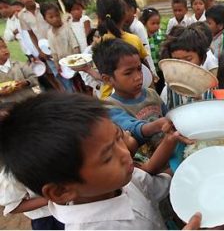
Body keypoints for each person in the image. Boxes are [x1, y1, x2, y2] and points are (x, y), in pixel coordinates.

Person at [0, 92, 202, 229]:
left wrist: (189, 162)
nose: (124, 153)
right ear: (61, 191)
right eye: (107, 157)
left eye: (118, 137)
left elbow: (153, 186)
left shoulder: (120, 178)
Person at [92, 38, 184, 168]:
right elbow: (132, 128)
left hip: (172, 156)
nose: (138, 76)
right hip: (148, 169)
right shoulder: (110, 106)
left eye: (139, 69)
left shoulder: (152, 94)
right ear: (107, 79)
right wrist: (157, 125)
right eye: (128, 73)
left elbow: (167, 116)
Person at [96, 0, 152, 98]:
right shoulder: (134, 40)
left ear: (99, 18)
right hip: (135, 96)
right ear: (124, 14)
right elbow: (145, 65)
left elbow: (100, 76)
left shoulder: (100, 45)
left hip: (108, 98)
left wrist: (86, 69)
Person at [9, 0, 62, 91]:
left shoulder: (44, 8)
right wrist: (39, 51)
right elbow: (31, 34)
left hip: (58, 45)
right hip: (45, 50)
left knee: (69, 70)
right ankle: (67, 95)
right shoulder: (21, 15)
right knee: (57, 74)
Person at [159, 25, 212, 109]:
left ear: (202, 58)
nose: (183, 64)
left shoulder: (210, 88)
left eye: (188, 59)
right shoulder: (168, 90)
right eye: (177, 60)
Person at [41, 1, 86, 94]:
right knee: (72, 87)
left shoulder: (66, 28)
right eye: (51, 17)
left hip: (74, 62)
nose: (56, 19)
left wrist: (76, 61)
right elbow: (53, 51)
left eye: (57, 15)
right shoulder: (49, 33)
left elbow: (75, 45)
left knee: (81, 84)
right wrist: (57, 64)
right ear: (45, 19)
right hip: (64, 67)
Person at [115, 0, 157, 79]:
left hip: (143, 68)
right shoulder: (122, 26)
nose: (121, 14)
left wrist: (152, 72)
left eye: (124, 10)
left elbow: (146, 52)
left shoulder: (137, 27)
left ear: (133, 10)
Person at [0, 37, 37, 103]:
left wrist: (26, 82)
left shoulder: (20, 65)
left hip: (31, 101)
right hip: (10, 108)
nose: (4, 50)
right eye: (0, 49)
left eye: (5, 47)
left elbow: (34, 78)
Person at [140, 7, 166, 94]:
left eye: (158, 23)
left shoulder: (161, 35)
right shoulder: (143, 38)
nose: (156, 26)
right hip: (150, 69)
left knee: (162, 86)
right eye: (153, 23)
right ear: (144, 23)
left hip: (161, 68)